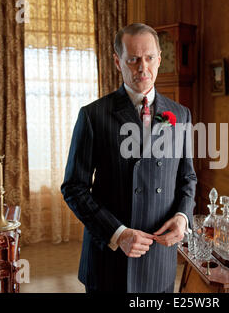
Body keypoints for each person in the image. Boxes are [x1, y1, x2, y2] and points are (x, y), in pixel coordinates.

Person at [61, 23, 197, 293]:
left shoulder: (180, 114)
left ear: (159, 58)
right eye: (133, 59)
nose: (142, 67)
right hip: (109, 259)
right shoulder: (93, 115)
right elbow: (74, 188)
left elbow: (187, 177)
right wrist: (118, 233)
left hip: (158, 257)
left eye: (149, 58)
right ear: (117, 61)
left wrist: (183, 217)